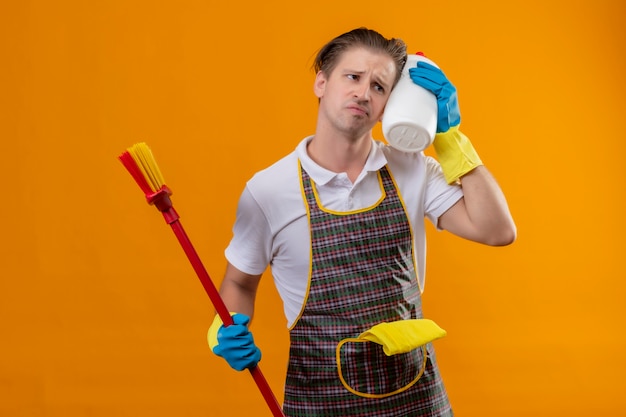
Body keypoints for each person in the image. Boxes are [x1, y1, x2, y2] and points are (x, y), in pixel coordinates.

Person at [207, 27, 516, 416]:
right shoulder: (268, 190)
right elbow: (238, 281)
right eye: (352, 77)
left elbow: (498, 230)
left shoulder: (412, 170)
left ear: (388, 105)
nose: (363, 93)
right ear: (321, 82)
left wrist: (449, 136)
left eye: (379, 86)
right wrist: (227, 327)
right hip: (320, 402)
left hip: (417, 398)